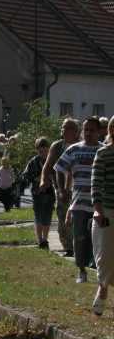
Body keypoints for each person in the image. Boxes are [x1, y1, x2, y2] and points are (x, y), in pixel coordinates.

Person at [55, 116, 102, 283]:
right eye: (86, 130)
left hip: (99, 204)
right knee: (79, 238)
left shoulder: (103, 151)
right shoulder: (74, 149)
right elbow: (59, 168)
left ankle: (98, 270)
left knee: (97, 239)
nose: (88, 133)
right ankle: (81, 270)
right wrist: (62, 190)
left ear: (99, 132)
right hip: (79, 203)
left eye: (92, 130)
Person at [42, 118, 81, 256]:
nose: (64, 130)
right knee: (63, 217)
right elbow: (48, 166)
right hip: (61, 187)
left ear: (76, 132)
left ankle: (79, 245)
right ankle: (68, 247)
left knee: (79, 217)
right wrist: (43, 180)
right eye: (63, 127)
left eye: (68, 128)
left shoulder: (81, 145)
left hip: (79, 188)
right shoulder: (57, 146)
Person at [90, 116, 114, 315]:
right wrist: (98, 209)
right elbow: (96, 184)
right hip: (107, 210)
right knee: (104, 255)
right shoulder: (103, 153)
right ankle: (103, 286)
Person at [24, 137, 55, 249]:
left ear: (49, 149)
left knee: (47, 215)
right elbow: (26, 175)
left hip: (50, 192)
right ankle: (39, 239)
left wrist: (51, 178)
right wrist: (35, 178)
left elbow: (58, 173)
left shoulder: (52, 160)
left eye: (45, 150)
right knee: (38, 215)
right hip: (37, 193)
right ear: (37, 150)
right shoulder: (33, 161)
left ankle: (45, 239)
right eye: (40, 151)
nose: (43, 153)